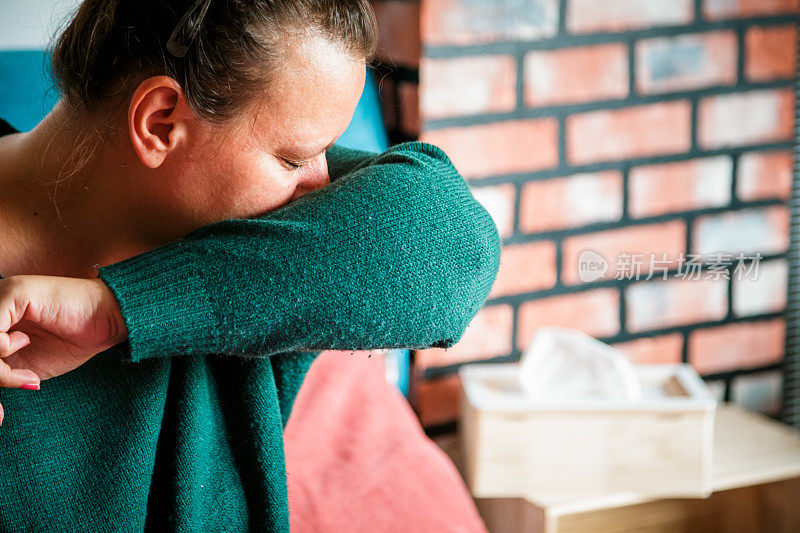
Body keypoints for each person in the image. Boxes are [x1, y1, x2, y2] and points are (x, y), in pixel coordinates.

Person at [0, 0, 500, 531]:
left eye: (330, 151)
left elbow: (455, 244)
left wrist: (121, 309)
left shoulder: (254, 251)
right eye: (293, 159)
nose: (325, 190)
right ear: (161, 122)